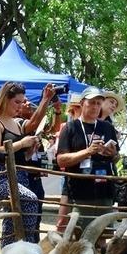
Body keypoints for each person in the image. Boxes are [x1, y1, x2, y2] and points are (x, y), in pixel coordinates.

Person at [0, 82, 51, 246]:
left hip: (20, 176)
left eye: (22, 102)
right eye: (17, 102)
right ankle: (18, 246)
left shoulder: (16, 123)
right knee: (29, 200)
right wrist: (21, 144)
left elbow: (20, 156)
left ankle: (19, 248)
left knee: (17, 213)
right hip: (1, 176)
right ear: (5, 99)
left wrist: (29, 150)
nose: (20, 106)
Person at [57, 87, 119, 234]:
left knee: (103, 235)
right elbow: (61, 160)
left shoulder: (108, 127)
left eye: (98, 103)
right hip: (79, 192)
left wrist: (112, 153)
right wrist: (87, 152)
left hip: (104, 189)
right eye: (92, 103)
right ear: (82, 103)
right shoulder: (70, 127)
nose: (96, 107)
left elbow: (116, 157)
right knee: (79, 236)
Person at [15, 86, 61, 241]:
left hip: (36, 178)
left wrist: (57, 111)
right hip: (24, 178)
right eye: (23, 102)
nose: (28, 103)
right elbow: (34, 122)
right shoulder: (17, 126)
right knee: (23, 218)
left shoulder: (37, 128)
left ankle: (34, 246)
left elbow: (54, 128)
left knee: (37, 218)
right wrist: (45, 99)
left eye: (28, 101)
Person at [54, 93, 83, 232]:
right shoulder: (67, 126)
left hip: (84, 174)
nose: (79, 109)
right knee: (63, 218)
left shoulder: (95, 125)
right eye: (77, 107)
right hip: (69, 174)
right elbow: (59, 153)